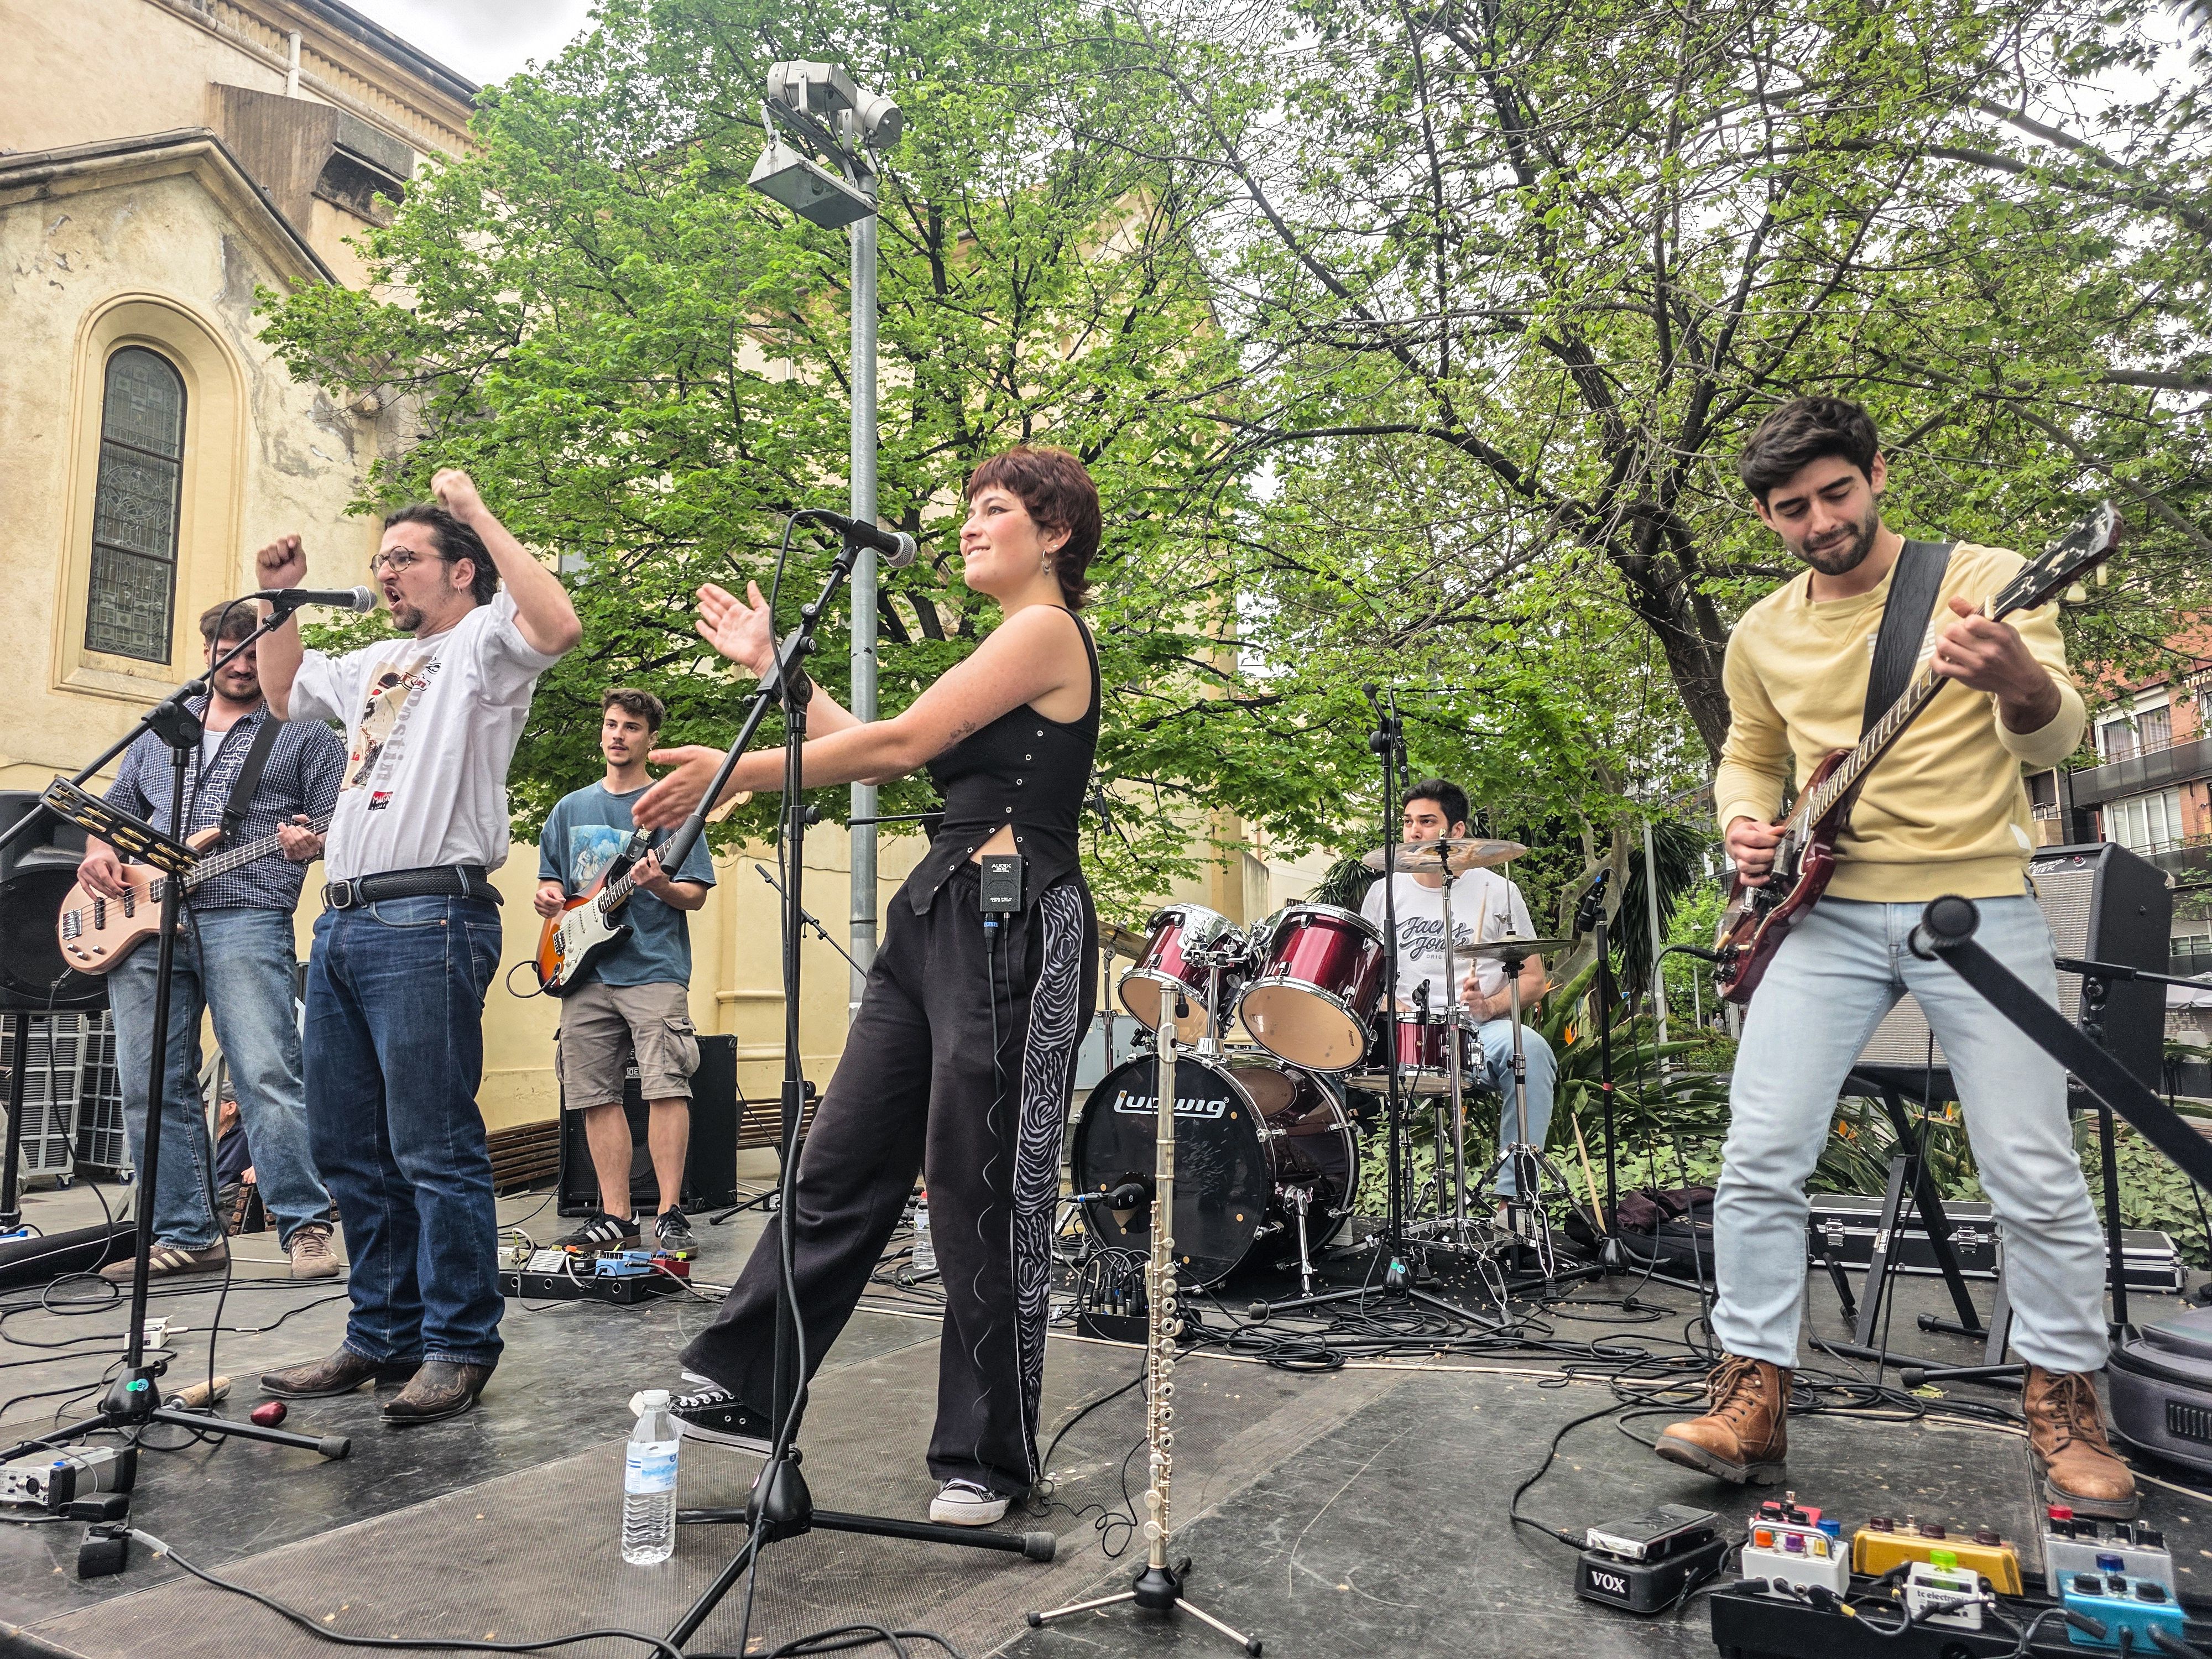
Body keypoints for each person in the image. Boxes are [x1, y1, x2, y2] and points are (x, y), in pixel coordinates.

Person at [1654, 396, 2132, 1516]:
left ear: (1873, 473)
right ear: (1766, 519)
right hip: (1816, 915)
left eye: (1835, 494)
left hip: (1974, 907)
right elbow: (1747, 751)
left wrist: (2012, 674)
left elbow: (2053, 734)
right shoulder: (1761, 632)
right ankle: (1751, 1395)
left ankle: (2064, 1407)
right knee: (1760, 1154)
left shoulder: (1985, 578)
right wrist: (1742, 821)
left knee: (2030, 1169)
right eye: (1791, 510)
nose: (1820, 522)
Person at [632, 446, 1102, 1527]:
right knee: (840, 1157)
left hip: (1019, 921)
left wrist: (731, 774)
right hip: (938, 909)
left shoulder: (1044, 629)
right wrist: (776, 672)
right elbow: (874, 743)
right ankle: (744, 1383)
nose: (970, 526)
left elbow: (894, 748)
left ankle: (988, 1456)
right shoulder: (999, 649)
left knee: (980, 1194)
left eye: (994, 511)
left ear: (1054, 534)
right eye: (970, 511)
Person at [250, 470, 581, 1427]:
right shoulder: (375, 662)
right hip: (347, 919)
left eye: (406, 557)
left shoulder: (485, 642)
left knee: (431, 1145)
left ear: (462, 571)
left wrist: (480, 508)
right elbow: (282, 695)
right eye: (380, 559)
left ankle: (458, 1342)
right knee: (349, 1147)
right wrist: (280, 600)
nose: (386, 572)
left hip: (429, 918)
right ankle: (380, 1334)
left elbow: (557, 625)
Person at [78, 601, 345, 1282]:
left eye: (258, 651)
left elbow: (344, 823)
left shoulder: (307, 730)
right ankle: (187, 1234)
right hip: (141, 925)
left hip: (244, 915)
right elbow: (115, 811)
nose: (245, 663)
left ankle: (305, 1227)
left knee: (264, 1073)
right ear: (209, 653)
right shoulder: (163, 728)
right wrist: (99, 850)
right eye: (233, 650)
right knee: (149, 1084)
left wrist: (312, 841)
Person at [535, 688, 714, 1254]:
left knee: (666, 1087)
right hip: (582, 973)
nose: (617, 735)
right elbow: (554, 886)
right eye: (611, 724)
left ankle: (669, 1211)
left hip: (653, 968)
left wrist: (660, 884)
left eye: (631, 728)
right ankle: (615, 1215)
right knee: (592, 1095)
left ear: (649, 738)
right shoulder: (569, 809)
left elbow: (694, 896)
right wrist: (546, 896)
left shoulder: (669, 810)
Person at [1359, 779, 1553, 1196]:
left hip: (1477, 1034)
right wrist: (1387, 1002)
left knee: (1531, 1051)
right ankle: (1329, 1203)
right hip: (1405, 1034)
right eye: (1409, 822)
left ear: (1458, 831)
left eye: (1428, 822)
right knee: (1321, 1059)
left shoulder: (1498, 890)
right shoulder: (1383, 893)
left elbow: (1535, 980)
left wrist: (1490, 1005)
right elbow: (1363, 977)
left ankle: (1513, 1199)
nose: (1414, 831)